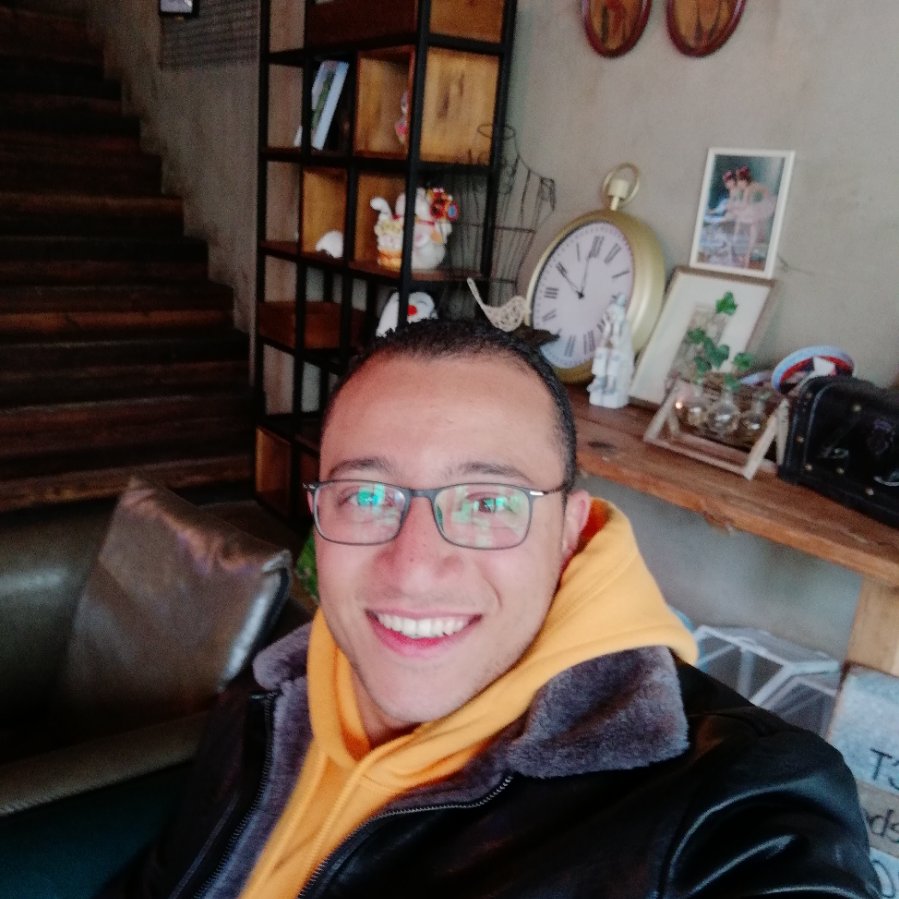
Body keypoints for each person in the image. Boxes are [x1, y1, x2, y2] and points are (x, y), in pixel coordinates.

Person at [105, 320, 878, 898]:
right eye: (366, 495)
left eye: (485, 502)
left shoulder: (728, 800)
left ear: (569, 531)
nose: (413, 566)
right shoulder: (277, 686)